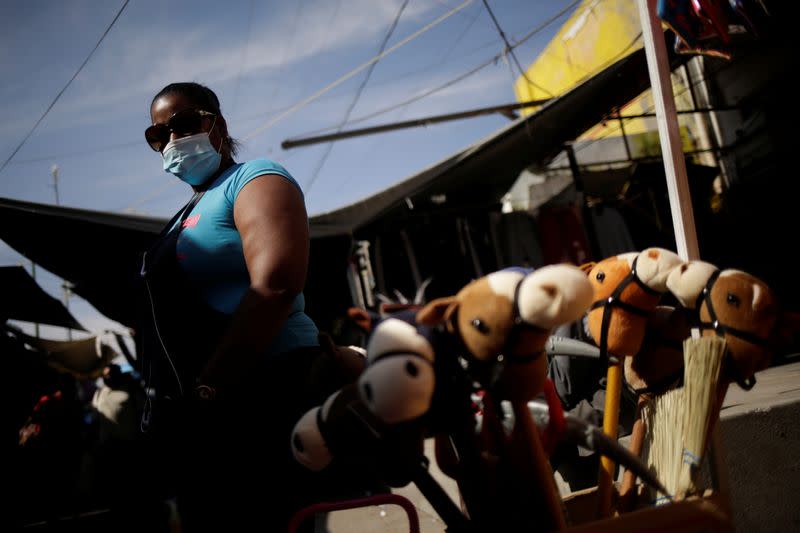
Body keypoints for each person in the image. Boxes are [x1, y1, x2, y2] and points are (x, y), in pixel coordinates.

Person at [138, 82, 352, 531]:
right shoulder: (188, 211)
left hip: (270, 387)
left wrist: (209, 386)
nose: (173, 141)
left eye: (184, 124)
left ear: (218, 123)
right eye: (159, 135)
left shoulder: (256, 178)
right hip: (213, 409)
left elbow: (275, 285)